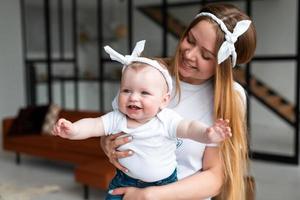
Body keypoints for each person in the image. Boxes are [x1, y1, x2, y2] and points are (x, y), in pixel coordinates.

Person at [101, 3, 256, 200]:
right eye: (190, 40)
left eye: (206, 55)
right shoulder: (150, 73)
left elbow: (215, 177)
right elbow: (115, 126)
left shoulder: (230, 97)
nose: (189, 54)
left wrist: (150, 195)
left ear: (222, 65)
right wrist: (106, 143)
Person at [52, 40, 232, 200]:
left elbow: (190, 128)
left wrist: (208, 134)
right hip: (123, 181)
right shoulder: (118, 117)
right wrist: (73, 130)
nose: (133, 98)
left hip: (163, 185)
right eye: (127, 90)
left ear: (164, 100)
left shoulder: (166, 119)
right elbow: (93, 125)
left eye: (144, 93)